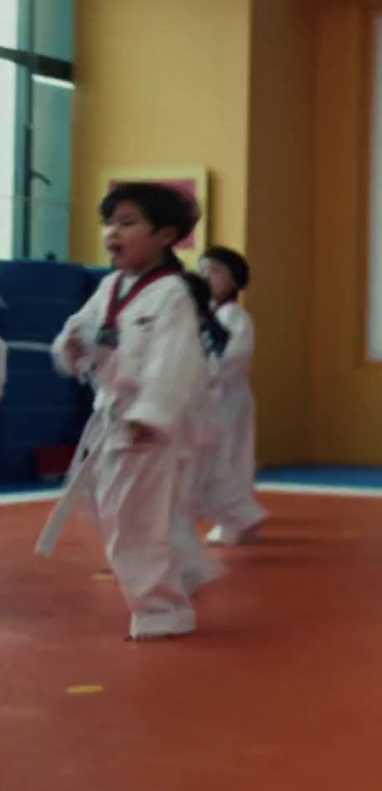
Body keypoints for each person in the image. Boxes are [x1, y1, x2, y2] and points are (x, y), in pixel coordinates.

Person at [43, 183, 210, 640]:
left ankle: (161, 610)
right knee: (113, 510)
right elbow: (78, 330)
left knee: (133, 519)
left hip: (146, 423)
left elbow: (175, 361)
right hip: (111, 419)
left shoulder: (172, 294)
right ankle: (186, 569)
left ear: (165, 235)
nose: (113, 232)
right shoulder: (110, 286)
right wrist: (71, 346)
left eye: (128, 222)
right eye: (111, 222)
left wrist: (151, 415)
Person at [197, 245, 265, 546]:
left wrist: (205, 372)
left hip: (229, 396)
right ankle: (238, 517)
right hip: (207, 398)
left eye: (215, 271)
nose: (206, 277)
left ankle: (237, 520)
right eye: (202, 271)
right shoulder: (202, 317)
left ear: (234, 280)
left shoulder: (235, 317)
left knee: (230, 458)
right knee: (212, 458)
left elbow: (235, 357)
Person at [169, 271, 229, 595]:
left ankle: (181, 570)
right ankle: (182, 568)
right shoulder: (195, 332)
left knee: (174, 504)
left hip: (187, 429)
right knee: (177, 504)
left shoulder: (197, 336)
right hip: (191, 428)